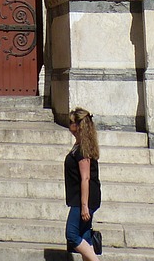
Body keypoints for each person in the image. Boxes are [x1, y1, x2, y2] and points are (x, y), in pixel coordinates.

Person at [64, 108, 102, 259]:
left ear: (79, 126)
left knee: (72, 234)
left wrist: (84, 206)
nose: (69, 125)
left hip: (84, 199)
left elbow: (85, 178)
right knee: (84, 236)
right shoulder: (80, 145)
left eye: (72, 122)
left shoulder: (82, 150)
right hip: (82, 197)